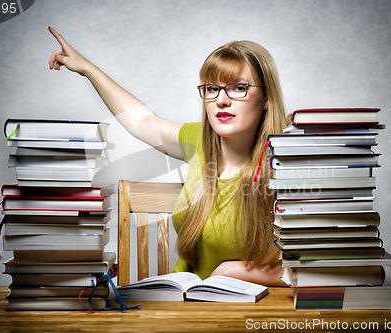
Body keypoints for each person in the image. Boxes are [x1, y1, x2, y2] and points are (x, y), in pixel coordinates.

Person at [48, 27, 287, 286]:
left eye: (239, 88)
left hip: (254, 312)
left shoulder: (288, 160)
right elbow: (143, 121)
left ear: (265, 97)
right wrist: (86, 68)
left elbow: (318, 265)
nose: (221, 100)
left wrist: (233, 273)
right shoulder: (199, 140)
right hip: (186, 301)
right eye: (212, 89)